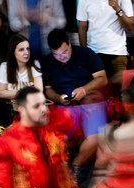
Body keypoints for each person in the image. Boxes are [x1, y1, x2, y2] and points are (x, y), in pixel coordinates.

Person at [40, 28, 108, 166]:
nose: (62, 57)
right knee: (56, 140)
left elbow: (103, 79)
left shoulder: (85, 54)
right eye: (56, 54)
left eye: (64, 52)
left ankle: (75, 169)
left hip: (90, 103)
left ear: (69, 43)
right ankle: (61, 171)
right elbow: (48, 90)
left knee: (95, 138)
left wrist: (84, 89)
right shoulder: (47, 62)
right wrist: (59, 98)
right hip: (65, 106)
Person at [77, 0, 133, 80]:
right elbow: (82, 26)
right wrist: (85, 52)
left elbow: (129, 26)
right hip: (94, 53)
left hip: (118, 53)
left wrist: (117, 9)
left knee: (119, 90)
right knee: (96, 91)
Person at [0, 32, 43, 120]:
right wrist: (24, 93)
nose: (26, 52)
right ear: (13, 52)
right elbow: (0, 93)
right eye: (21, 50)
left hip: (32, 110)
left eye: (28, 49)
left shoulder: (34, 64)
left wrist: (13, 93)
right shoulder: (4, 67)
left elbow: (39, 91)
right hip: (11, 111)